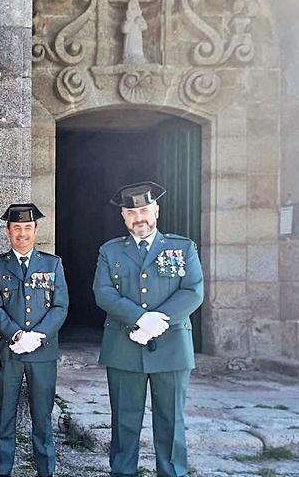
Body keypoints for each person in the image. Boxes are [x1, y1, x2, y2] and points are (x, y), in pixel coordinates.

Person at [92, 181, 204, 477]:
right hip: (124, 347)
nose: (138, 217)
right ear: (123, 217)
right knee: (124, 421)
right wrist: (140, 319)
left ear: (156, 210)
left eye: (143, 210)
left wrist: (158, 322)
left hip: (172, 347)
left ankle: (172, 473)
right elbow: (103, 293)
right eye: (131, 212)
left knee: (170, 421)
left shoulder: (182, 247)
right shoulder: (110, 251)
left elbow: (193, 291)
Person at [0, 203, 68, 477]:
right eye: (16, 228)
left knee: (42, 418)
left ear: (35, 230)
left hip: (42, 354)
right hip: (9, 353)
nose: (22, 233)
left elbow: (60, 307)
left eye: (27, 228)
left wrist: (37, 336)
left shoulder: (53, 264)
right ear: (8, 231)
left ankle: (45, 471)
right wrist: (17, 334)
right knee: (4, 417)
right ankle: (4, 471)